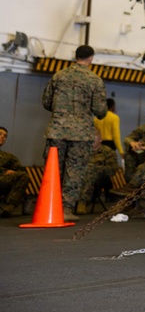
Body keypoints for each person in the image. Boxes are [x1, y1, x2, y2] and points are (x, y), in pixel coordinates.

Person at [41, 44, 107, 221]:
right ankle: (66, 209)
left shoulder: (58, 76)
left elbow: (47, 102)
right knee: (74, 171)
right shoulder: (94, 80)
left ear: (75, 56)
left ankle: (47, 206)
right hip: (81, 134)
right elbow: (100, 111)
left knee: (53, 169)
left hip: (56, 131)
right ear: (91, 58)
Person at [77, 129, 120, 215]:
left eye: (94, 138)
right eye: (89, 138)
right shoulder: (82, 151)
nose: (91, 140)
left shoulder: (107, 151)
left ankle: (82, 202)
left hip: (101, 179)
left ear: (100, 139)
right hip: (81, 177)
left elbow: (113, 169)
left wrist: (97, 168)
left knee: (91, 170)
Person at [0, 126, 30, 218]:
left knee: (23, 176)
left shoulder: (7, 157)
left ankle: (8, 208)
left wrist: (12, 172)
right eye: (0, 134)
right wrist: (4, 171)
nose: (3, 137)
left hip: (2, 182)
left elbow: (20, 170)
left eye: (5, 136)